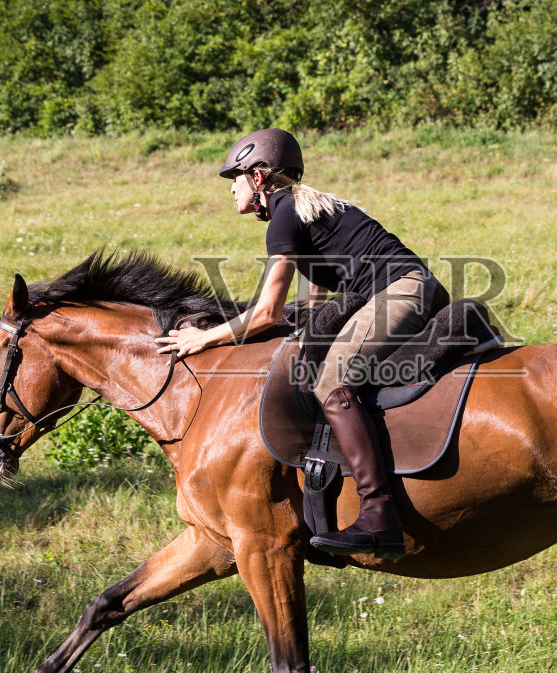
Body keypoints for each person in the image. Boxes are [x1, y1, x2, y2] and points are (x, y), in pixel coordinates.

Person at [155, 128, 446, 559]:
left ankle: (379, 516)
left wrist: (204, 337)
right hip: (407, 288)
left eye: (233, 177)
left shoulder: (286, 213)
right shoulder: (301, 209)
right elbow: (311, 302)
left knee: (332, 381)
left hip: (401, 291)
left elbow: (267, 312)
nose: (230, 188)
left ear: (258, 177)